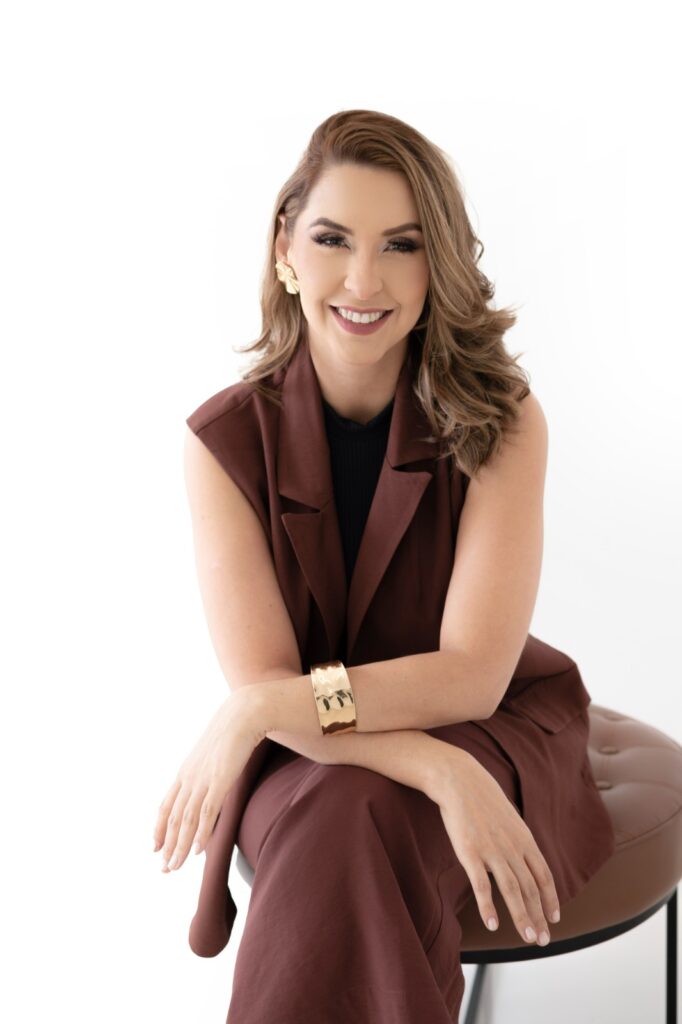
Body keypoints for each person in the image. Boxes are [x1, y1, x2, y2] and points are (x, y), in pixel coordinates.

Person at [153, 109, 616, 1023]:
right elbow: (269, 692)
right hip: (309, 753)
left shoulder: (503, 421)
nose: (364, 280)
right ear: (286, 249)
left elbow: (471, 675)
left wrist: (259, 710)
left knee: (347, 821)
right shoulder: (223, 442)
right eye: (333, 239)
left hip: (487, 726)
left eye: (401, 246)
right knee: (348, 813)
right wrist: (432, 770)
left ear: (436, 264)